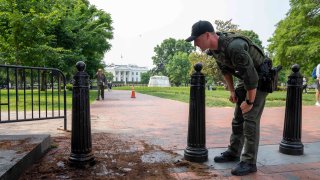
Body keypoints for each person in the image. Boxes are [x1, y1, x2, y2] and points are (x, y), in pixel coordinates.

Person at [186, 20, 269, 176]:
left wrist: (250, 101)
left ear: (207, 35)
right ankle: (234, 152)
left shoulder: (235, 47)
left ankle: (249, 162)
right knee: (238, 118)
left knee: (250, 119)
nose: (195, 44)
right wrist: (232, 91)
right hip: (246, 79)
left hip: (260, 79)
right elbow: (225, 69)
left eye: (196, 39)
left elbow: (252, 78)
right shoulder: (213, 49)